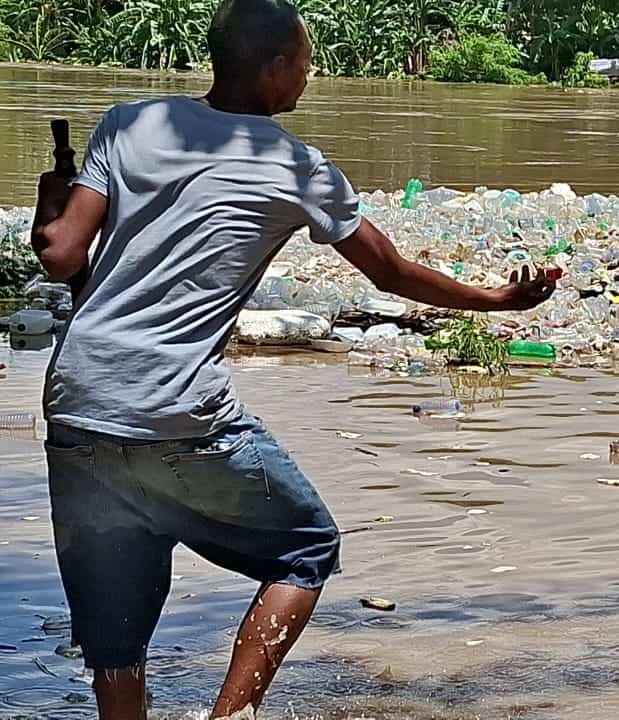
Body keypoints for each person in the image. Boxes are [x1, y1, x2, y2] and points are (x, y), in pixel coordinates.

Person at [30, 0, 555, 717]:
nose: (307, 80)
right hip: (180, 413)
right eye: (304, 66)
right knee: (305, 549)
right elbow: (391, 274)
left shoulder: (128, 124)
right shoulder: (295, 165)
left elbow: (62, 257)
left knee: (116, 643)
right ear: (274, 69)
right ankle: (232, 715)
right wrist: (496, 301)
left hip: (80, 402)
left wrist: (46, 203)